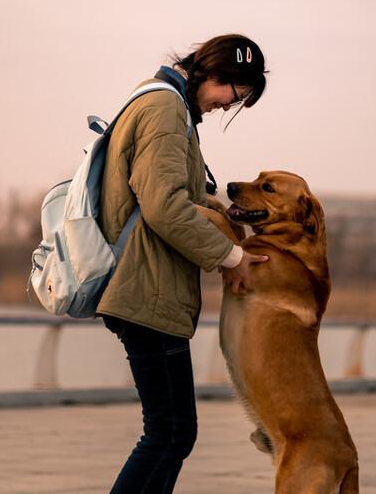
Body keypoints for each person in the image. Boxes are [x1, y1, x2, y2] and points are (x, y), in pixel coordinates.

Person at [97, 33, 270, 493]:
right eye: (234, 95)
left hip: (151, 292)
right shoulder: (165, 110)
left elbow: (186, 199)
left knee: (171, 434)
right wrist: (230, 257)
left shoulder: (171, 108)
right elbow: (164, 206)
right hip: (146, 292)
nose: (227, 106)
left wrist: (229, 216)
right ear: (214, 74)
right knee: (169, 434)